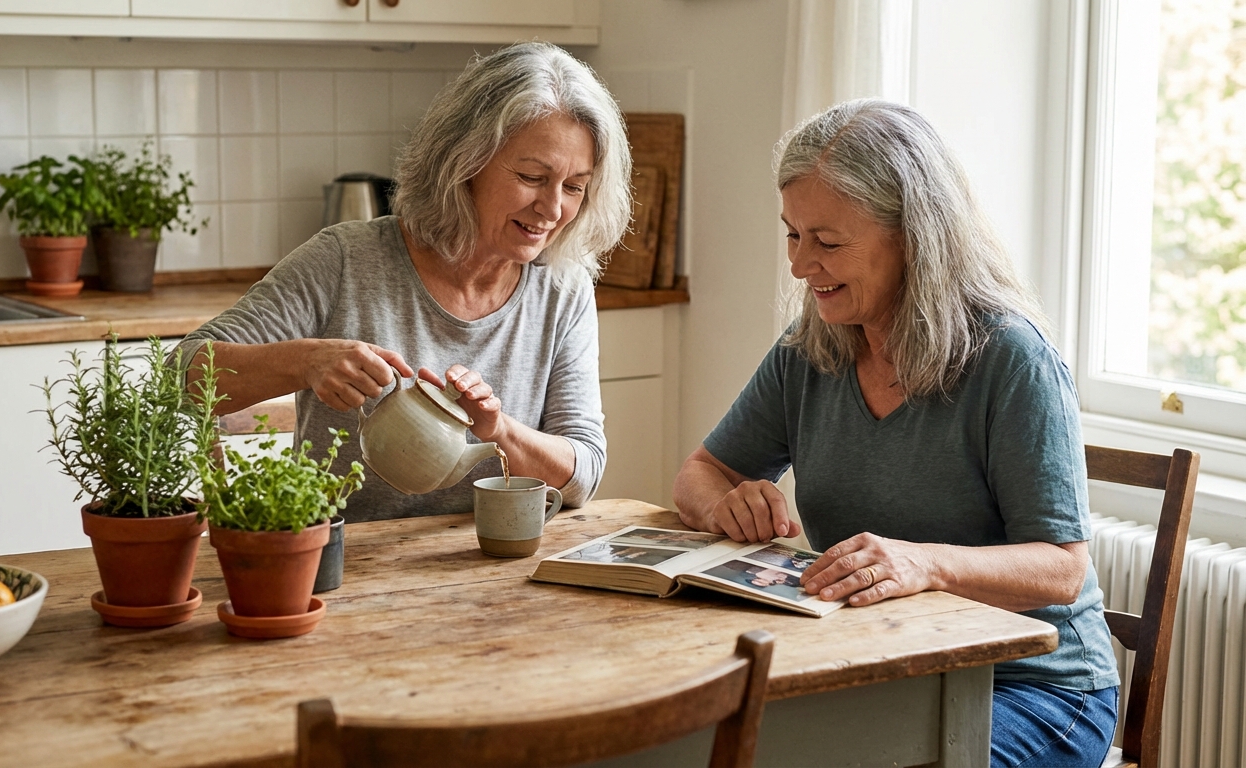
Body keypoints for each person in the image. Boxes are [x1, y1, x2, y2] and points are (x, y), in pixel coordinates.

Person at [672, 99, 1120, 768]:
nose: (800, 265)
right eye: (792, 235)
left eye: (827, 242)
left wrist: (925, 562)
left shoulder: (1010, 359)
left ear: (914, 236)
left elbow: (1061, 568)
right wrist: (722, 503)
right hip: (884, 664)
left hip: (1036, 687)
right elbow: (700, 473)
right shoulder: (808, 350)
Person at [173, 42, 631, 522]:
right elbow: (178, 375)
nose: (554, 208)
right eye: (533, 177)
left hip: (499, 571)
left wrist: (498, 430)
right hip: (342, 567)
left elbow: (583, 474)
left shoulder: (563, 288)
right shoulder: (346, 260)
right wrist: (306, 362)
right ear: (464, 161)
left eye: (575, 186)